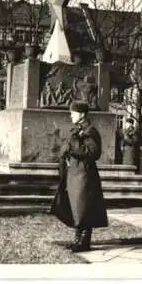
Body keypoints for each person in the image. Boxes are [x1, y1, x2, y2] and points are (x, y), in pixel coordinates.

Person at [50, 101, 108, 253]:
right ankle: (77, 239)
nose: (71, 115)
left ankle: (84, 242)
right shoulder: (76, 130)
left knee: (84, 207)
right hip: (74, 173)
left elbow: (93, 153)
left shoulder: (90, 130)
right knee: (76, 207)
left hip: (84, 174)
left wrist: (74, 144)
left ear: (82, 114)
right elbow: (67, 147)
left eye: (73, 113)